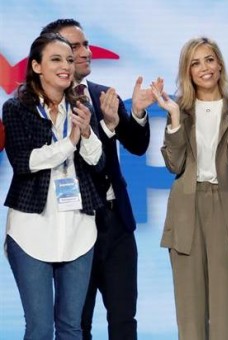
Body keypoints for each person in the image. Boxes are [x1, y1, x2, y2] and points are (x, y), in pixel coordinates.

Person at [40, 18, 160, 340]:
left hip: (117, 224)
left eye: (86, 45)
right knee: (77, 324)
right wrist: (105, 128)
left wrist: (135, 114)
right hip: (74, 225)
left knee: (124, 320)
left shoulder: (103, 94)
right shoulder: (44, 107)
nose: (85, 52)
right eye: (74, 47)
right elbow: (77, 159)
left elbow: (136, 144)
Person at [151, 36, 228, 340]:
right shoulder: (180, 110)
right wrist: (172, 119)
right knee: (190, 319)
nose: (204, 68)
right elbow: (175, 164)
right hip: (186, 211)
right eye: (195, 62)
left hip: (226, 208)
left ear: (220, 63)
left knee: (227, 317)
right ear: (187, 71)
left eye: (209, 59)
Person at [3, 32, 105, 339]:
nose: (66, 66)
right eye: (56, 59)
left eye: (70, 60)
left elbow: (97, 162)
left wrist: (86, 133)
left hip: (79, 229)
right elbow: (24, 161)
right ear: (36, 66)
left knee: (71, 327)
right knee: (39, 328)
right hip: (31, 230)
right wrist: (69, 142)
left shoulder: (81, 106)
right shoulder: (17, 108)